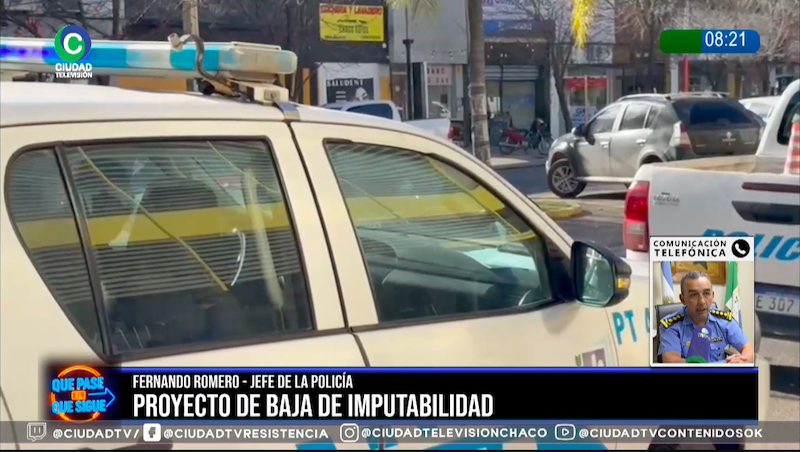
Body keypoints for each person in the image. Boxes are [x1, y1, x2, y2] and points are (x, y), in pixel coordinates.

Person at [658, 271, 753, 364]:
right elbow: (672, 362)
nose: (702, 302)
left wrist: (741, 362)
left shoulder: (723, 321)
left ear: (712, 296)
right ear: (683, 299)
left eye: (706, 293)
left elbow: (748, 348)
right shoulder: (671, 326)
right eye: (693, 295)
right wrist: (723, 365)